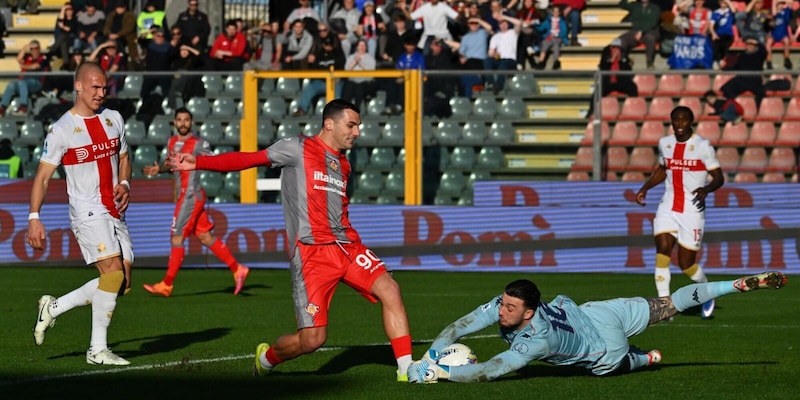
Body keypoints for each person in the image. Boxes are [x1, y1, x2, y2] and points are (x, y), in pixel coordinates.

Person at [167, 99, 415, 381]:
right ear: (329, 124)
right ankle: (266, 359)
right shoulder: (296, 148)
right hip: (312, 254)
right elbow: (248, 159)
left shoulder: (343, 164)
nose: (357, 131)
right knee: (312, 341)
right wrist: (198, 162)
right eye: (352, 124)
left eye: (358, 125)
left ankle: (407, 369)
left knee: (390, 289)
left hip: (348, 247)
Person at [408, 271, 788, 383]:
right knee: (671, 303)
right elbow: (461, 325)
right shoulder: (513, 303)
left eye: (509, 307)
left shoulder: (535, 340)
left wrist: (439, 371)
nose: (501, 311)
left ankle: (646, 359)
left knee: (618, 364)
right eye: (502, 303)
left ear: (528, 313)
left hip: (606, 346)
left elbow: (489, 371)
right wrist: (429, 354)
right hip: (601, 313)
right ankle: (732, 284)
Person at [28, 61, 134, 366]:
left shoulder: (113, 118)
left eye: (104, 87)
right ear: (78, 86)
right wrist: (34, 217)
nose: (101, 93)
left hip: (114, 210)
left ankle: (54, 307)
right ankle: (97, 350)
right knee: (112, 274)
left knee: (121, 284)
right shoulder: (62, 129)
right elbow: (43, 177)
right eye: (94, 87)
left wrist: (125, 182)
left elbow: (125, 158)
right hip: (86, 209)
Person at [141, 108, 249, 297]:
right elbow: (171, 164)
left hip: (191, 195)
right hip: (186, 195)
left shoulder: (199, 143)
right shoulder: (172, 141)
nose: (183, 123)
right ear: (174, 122)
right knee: (205, 236)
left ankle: (166, 284)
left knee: (177, 237)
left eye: (186, 120)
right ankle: (237, 268)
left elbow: (215, 160)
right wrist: (159, 169)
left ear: (191, 122)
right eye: (179, 120)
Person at [635, 106, 725, 319]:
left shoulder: (702, 146)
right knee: (662, 253)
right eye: (676, 120)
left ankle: (707, 291)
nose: (680, 124)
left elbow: (719, 177)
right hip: (667, 206)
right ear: (672, 121)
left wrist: (707, 189)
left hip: (691, 210)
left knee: (686, 264)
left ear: (691, 122)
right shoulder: (665, 144)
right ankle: (665, 306)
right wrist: (645, 188)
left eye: (684, 120)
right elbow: (663, 169)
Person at [0, 40, 50, 117]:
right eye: (31, 49)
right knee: (11, 85)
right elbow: (19, 59)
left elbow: (35, 66)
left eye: (36, 48)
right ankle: (2, 108)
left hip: (37, 83)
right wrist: (25, 47)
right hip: (24, 83)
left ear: (39, 49)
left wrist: (23, 66)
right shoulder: (28, 58)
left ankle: (23, 107)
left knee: (22, 82)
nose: (34, 51)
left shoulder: (43, 59)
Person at [617, 0, 661, 70]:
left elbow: (653, 23)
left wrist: (641, 32)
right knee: (619, 40)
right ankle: (623, 60)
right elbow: (621, 4)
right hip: (635, 31)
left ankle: (649, 62)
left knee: (650, 38)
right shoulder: (634, 5)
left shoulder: (655, 8)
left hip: (649, 31)